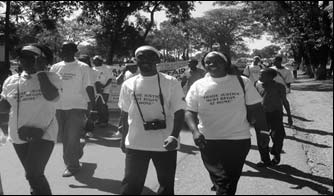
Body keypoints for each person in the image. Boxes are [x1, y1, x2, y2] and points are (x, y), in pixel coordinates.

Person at [185, 51, 267, 195]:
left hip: (238, 140)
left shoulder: (242, 81)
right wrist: (195, 131)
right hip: (208, 141)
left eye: (217, 61)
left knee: (227, 179)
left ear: (226, 63)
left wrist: (263, 132)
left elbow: (256, 109)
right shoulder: (198, 85)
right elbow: (189, 111)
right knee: (222, 180)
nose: (212, 64)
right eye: (208, 62)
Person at [118, 45, 186, 195]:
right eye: (141, 57)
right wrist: (124, 138)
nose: (145, 60)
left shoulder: (171, 82)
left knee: (166, 185)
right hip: (136, 143)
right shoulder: (128, 84)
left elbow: (179, 111)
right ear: (136, 60)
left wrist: (174, 135)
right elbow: (124, 113)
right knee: (130, 185)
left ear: (157, 59)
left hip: (165, 144)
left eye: (150, 56)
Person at [0, 43, 62, 195]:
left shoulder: (52, 77)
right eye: (23, 57)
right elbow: (5, 107)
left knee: (33, 173)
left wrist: (40, 72)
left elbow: (51, 96)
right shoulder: (11, 80)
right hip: (18, 133)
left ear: (41, 59)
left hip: (44, 133)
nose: (26, 61)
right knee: (31, 174)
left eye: (31, 57)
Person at [50, 42, 96, 177]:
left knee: (70, 138)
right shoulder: (55, 67)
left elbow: (89, 87)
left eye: (69, 49)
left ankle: (72, 166)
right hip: (58, 107)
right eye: (63, 49)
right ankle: (78, 146)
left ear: (75, 51)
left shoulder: (83, 67)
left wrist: (92, 107)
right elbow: (51, 86)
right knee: (63, 137)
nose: (65, 51)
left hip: (77, 106)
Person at [255, 68, 293, 166]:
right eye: (259, 74)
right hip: (262, 115)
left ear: (271, 77)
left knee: (278, 137)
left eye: (262, 74)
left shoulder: (279, 87)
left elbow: (285, 101)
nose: (259, 76)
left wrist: (289, 116)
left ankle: (276, 154)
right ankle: (265, 159)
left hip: (276, 114)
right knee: (262, 137)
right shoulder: (257, 85)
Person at [92, 55, 114, 127]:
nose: (95, 61)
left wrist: (103, 87)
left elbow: (110, 79)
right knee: (98, 106)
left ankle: (104, 121)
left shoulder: (107, 68)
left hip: (105, 90)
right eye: (94, 60)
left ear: (101, 61)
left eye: (97, 60)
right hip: (96, 90)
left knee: (103, 105)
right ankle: (100, 120)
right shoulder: (92, 69)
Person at [78, 54, 96, 138]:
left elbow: (90, 86)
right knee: (80, 115)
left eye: (84, 60)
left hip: (89, 96)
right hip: (79, 96)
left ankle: (89, 130)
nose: (82, 62)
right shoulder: (77, 70)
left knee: (89, 114)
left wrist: (92, 99)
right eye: (81, 60)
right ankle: (81, 130)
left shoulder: (91, 71)